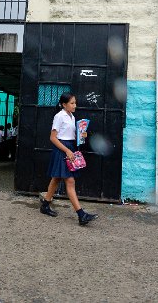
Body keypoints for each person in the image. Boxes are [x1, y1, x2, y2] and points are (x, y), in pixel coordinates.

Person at [39, 93, 97, 226]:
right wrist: (67, 150)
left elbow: (70, 135)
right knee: (70, 181)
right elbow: (53, 138)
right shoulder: (59, 116)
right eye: (72, 103)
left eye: (75, 102)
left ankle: (45, 205)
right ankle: (81, 214)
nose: (75, 105)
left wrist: (82, 135)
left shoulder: (72, 116)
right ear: (64, 104)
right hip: (62, 149)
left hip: (69, 147)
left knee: (56, 178)